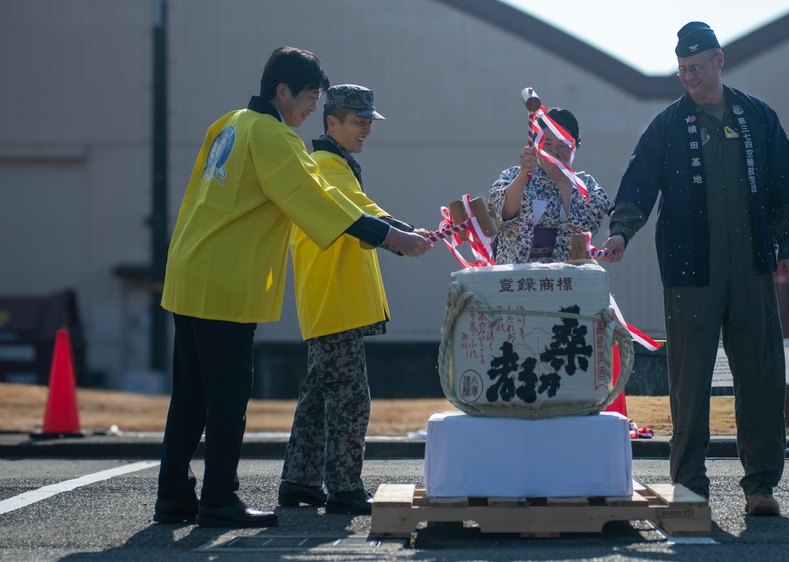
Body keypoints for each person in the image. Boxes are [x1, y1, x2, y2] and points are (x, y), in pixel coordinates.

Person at [154, 47, 431, 529]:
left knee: (191, 394)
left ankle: (174, 496)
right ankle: (219, 499)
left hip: (189, 268)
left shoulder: (230, 123)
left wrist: (393, 232)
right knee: (228, 396)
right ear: (282, 92)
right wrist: (393, 237)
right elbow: (318, 202)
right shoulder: (274, 136)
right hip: (224, 280)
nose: (309, 108)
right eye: (307, 98)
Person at [598, 22, 789, 516]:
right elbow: (638, 185)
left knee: (761, 374)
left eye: (697, 68)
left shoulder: (758, 117)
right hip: (690, 270)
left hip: (753, 267)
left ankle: (761, 485)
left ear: (720, 60)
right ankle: (690, 485)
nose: (689, 78)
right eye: (682, 71)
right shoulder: (668, 125)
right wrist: (621, 232)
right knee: (689, 381)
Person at [277, 85, 427, 515]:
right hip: (335, 298)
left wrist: (406, 232)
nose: (366, 130)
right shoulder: (327, 164)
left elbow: (364, 208)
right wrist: (403, 237)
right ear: (332, 123)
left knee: (319, 395)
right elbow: (360, 210)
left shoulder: (330, 164)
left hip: (326, 298)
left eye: (368, 122)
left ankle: (299, 482)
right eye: (359, 122)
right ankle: (344, 487)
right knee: (349, 395)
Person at [487, 108, 612, 264]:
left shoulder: (586, 185)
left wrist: (563, 180)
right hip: (518, 273)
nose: (554, 151)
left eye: (562, 145)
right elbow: (503, 215)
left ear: (574, 147)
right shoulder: (512, 176)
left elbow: (586, 226)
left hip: (566, 276)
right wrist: (523, 176)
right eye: (547, 144)